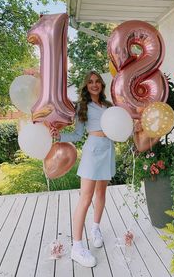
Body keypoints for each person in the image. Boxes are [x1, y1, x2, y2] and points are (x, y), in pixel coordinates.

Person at [50, 71, 115, 268]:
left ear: (102, 85)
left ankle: (95, 229)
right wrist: (59, 137)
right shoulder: (82, 107)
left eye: (97, 82)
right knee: (85, 198)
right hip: (93, 151)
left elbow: (118, 126)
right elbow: (78, 135)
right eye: (90, 82)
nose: (94, 85)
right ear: (86, 86)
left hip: (109, 149)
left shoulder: (109, 106)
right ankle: (76, 247)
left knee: (102, 193)